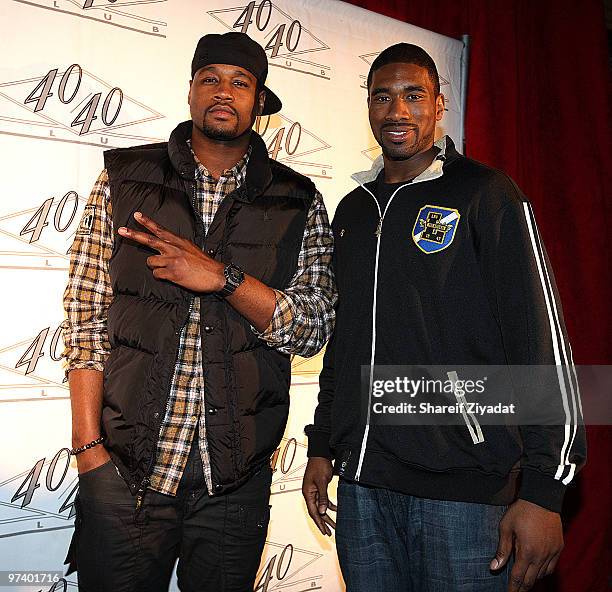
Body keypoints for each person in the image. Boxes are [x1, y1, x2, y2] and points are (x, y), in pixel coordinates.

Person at [302, 43, 585, 592]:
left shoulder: (487, 194)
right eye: (383, 97)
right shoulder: (354, 210)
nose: (397, 111)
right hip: (363, 490)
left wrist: (545, 490)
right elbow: (344, 342)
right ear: (367, 107)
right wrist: (321, 446)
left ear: (438, 104)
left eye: (413, 95)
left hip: (464, 495)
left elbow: (541, 340)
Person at [62, 31, 336, 592]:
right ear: (190, 92)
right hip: (127, 470)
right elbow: (85, 314)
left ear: (261, 104)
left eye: (240, 83)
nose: (223, 92)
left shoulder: (298, 199)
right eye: (210, 79)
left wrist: (224, 280)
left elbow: (313, 327)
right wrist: (88, 449)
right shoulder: (125, 178)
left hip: (236, 480)